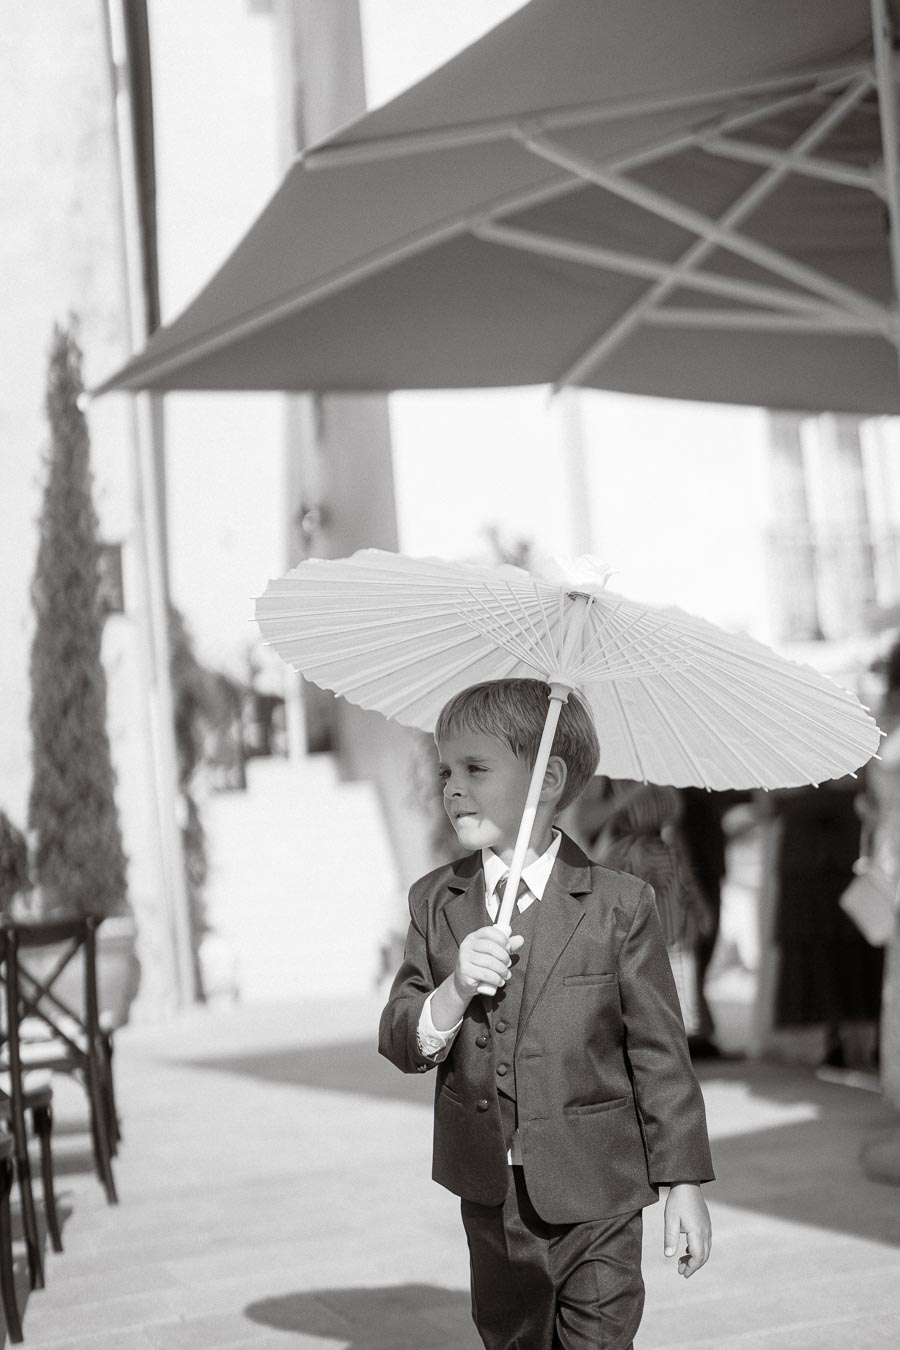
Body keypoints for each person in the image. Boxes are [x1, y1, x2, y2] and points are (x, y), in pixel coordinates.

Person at [379, 679, 714, 1350]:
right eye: (448, 770)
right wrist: (452, 991)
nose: (453, 787)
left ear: (549, 778)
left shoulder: (620, 905)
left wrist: (683, 1182)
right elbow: (400, 1038)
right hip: (493, 1194)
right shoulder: (436, 902)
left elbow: (659, 1055)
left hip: (602, 1192)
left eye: (476, 768)